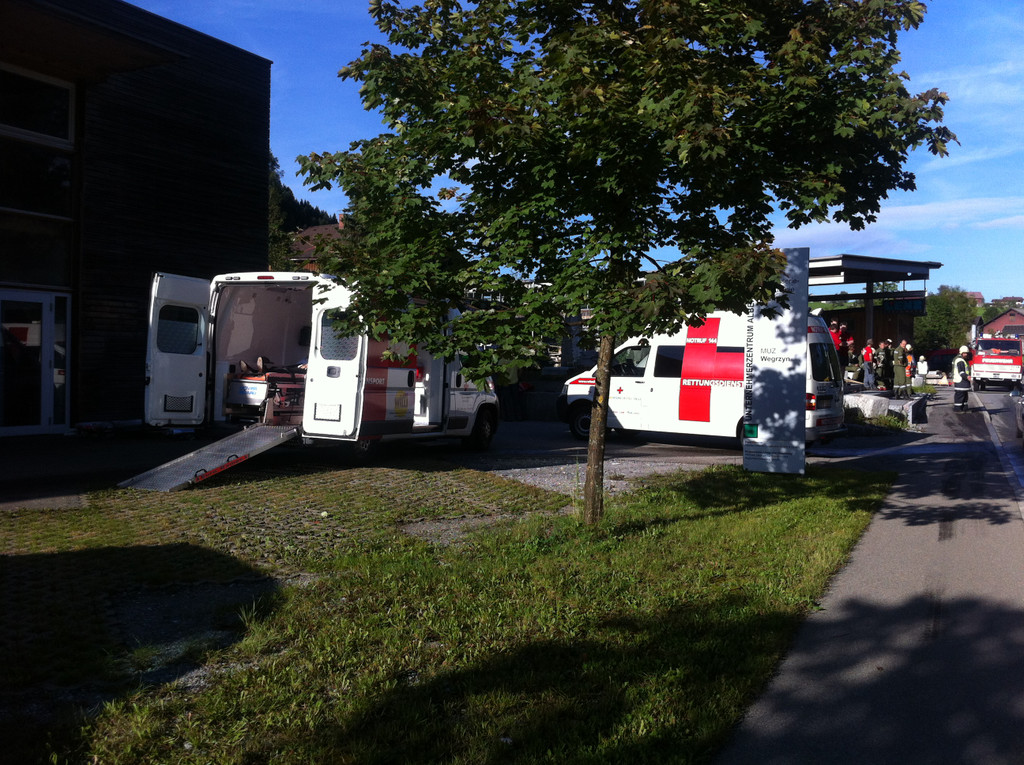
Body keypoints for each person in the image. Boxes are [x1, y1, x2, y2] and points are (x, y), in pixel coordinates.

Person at [952, 345, 971, 412]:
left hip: (963, 382)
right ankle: (958, 409)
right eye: (964, 353)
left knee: (964, 396)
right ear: (961, 353)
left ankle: (964, 408)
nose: (966, 354)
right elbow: (961, 372)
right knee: (960, 397)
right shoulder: (960, 360)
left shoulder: (962, 360)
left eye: (966, 353)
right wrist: (967, 376)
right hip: (960, 381)